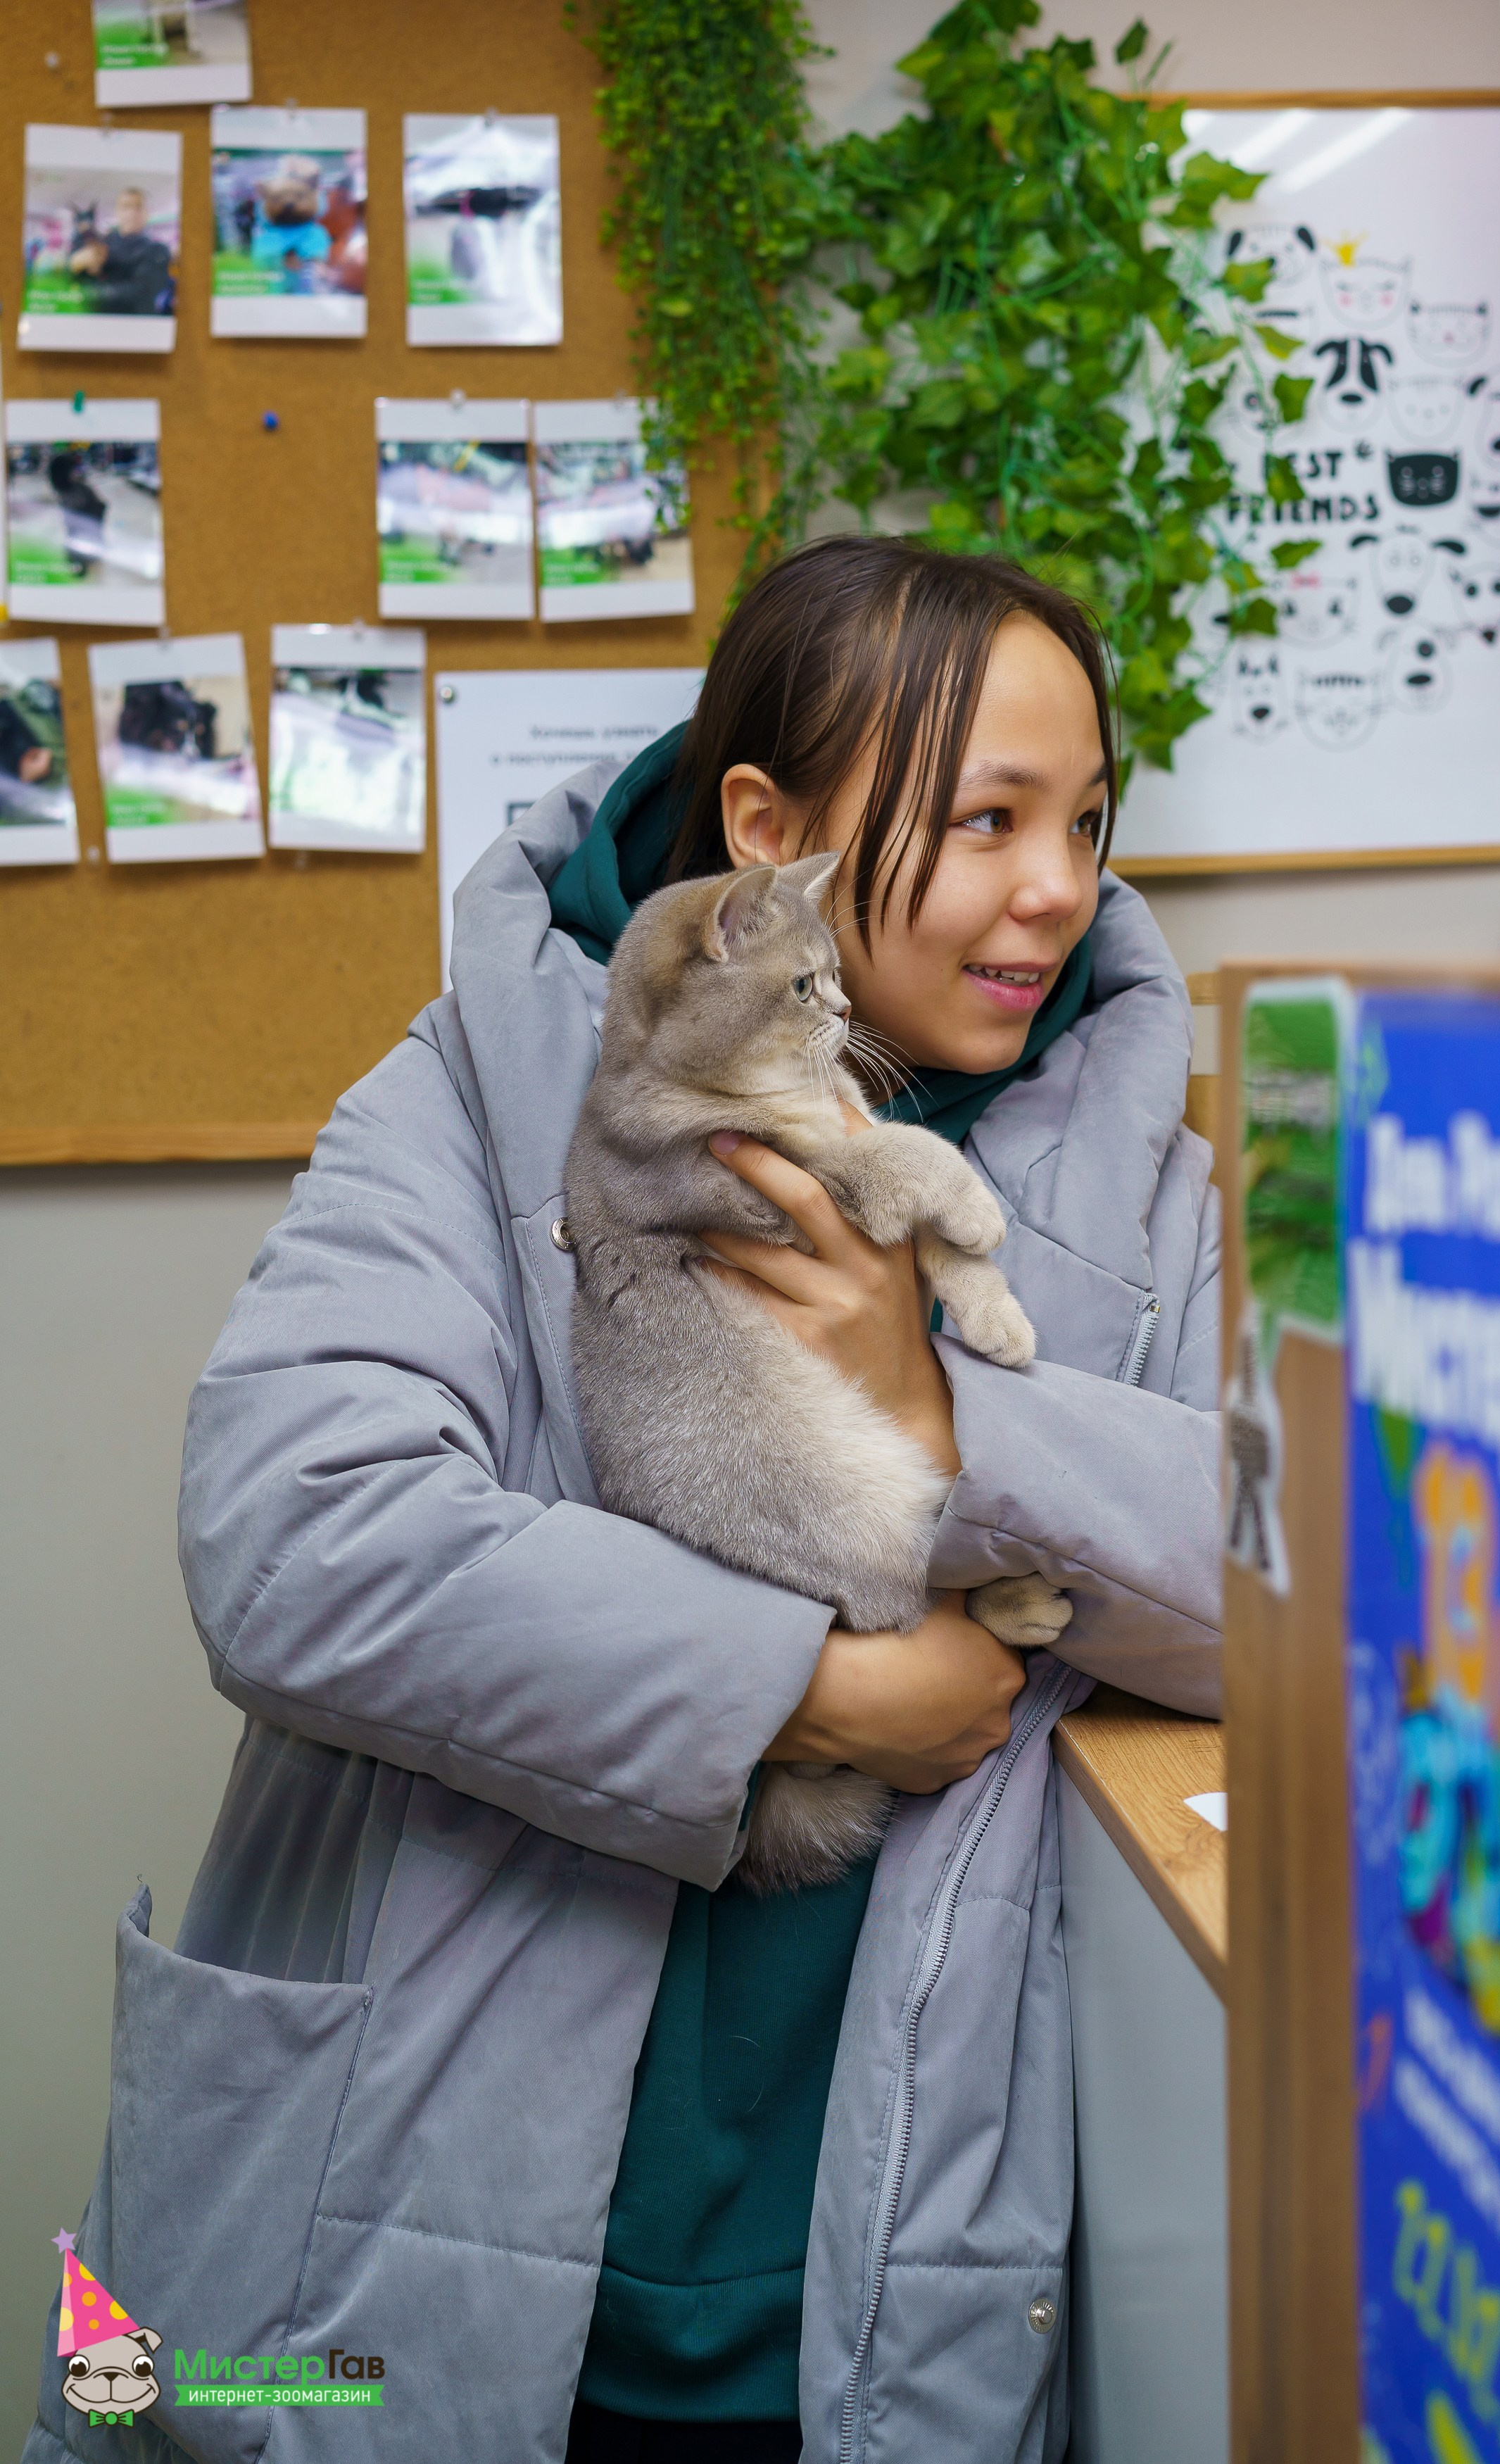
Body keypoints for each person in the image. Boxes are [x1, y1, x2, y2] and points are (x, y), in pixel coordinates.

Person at [21, 537, 1221, 2464]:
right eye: (988, 817)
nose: (1055, 888)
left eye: (1084, 817)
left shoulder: (1142, 1172)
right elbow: (297, 1534)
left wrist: (933, 1407)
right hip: (398, 2232)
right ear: (765, 834)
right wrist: (811, 1691)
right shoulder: (471, 1090)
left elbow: (1287, 1590)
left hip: (879, 2270)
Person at [68, 188, 174, 318]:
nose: (132, 213)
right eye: (126, 207)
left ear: (147, 213)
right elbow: (71, 279)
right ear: (117, 213)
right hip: (99, 325)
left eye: (138, 207)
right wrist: (74, 264)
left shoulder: (158, 251)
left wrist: (88, 293)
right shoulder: (99, 245)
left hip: (139, 325)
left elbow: (141, 292)